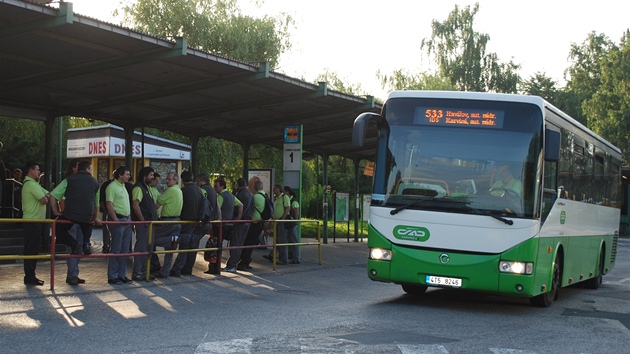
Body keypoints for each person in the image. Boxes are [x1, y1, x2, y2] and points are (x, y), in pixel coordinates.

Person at [49, 160, 101, 286]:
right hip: (87, 219)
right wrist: (94, 218)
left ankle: (72, 274)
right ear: (88, 169)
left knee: (62, 233)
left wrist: (56, 211)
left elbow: (53, 196)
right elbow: (96, 204)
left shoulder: (69, 180)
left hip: (70, 217)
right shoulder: (95, 182)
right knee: (83, 236)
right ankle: (86, 244)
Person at [21, 161, 50, 286]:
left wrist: (47, 196)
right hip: (31, 221)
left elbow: (48, 193)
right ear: (31, 170)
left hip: (35, 221)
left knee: (33, 249)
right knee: (31, 250)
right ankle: (29, 276)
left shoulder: (34, 184)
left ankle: (31, 275)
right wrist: (46, 197)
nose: (39, 172)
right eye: (37, 170)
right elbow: (44, 199)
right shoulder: (30, 185)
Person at [170, 171, 203, 276]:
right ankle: (188, 268)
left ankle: (176, 269)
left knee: (183, 247)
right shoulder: (199, 190)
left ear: (183, 180)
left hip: (185, 221)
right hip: (197, 222)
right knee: (192, 247)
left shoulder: (183, 191)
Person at [206, 178, 241, 274]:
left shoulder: (220, 197)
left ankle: (214, 268)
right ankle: (216, 268)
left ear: (222, 186)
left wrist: (218, 219)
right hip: (229, 224)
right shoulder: (231, 196)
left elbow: (218, 209)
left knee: (215, 246)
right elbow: (240, 204)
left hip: (220, 225)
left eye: (216, 186)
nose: (215, 188)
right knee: (219, 246)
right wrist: (238, 218)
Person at [105, 166, 133, 285]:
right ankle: (113, 275)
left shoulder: (123, 187)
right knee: (116, 249)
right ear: (120, 175)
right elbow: (109, 204)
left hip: (126, 219)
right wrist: (115, 219)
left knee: (124, 249)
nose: (129, 176)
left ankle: (122, 274)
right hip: (119, 219)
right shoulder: (112, 187)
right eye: (127, 174)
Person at [152, 172, 183, 278]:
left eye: (169, 179)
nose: (166, 181)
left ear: (176, 180)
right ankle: (164, 271)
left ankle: (172, 239)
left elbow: (159, 200)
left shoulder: (171, 190)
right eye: (167, 179)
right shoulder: (178, 190)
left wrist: (158, 200)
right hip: (176, 220)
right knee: (169, 250)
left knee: (151, 238)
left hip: (168, 221)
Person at [130, 166, 158, 281]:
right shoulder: (138, 188)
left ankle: (144, 271)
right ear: (145, 176)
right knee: (141, 247)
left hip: (149, 223)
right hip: (144, 223)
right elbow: (135, 204)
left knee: (148, 248)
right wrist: (142, 220)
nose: (153, 177)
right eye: (151, 175)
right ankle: (137, 272)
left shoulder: (146, 188)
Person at [222, 178, 252, 273]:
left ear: (238, 185)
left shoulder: (240, 194)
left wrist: (237, 217)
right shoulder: (250, 194)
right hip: (248, 221)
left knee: (235, 243)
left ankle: (231, 264)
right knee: (239, 244)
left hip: (240, 222)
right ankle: (234, 263)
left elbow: (238, 206)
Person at [238, 180, 267, 271]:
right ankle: (246, 261)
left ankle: (243, 262)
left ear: (255, 187)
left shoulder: (255, 196)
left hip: (254, 221)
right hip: (260, 221)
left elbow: (250, 207)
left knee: (247, 242)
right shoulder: (265, 196)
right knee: (251, 242)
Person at [263, 184, 290, 265]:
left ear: (279, 189)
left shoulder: (284, 197)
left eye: (274, 189)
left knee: (282, 240)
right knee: (278, 240)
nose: (273, 190)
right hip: (276, 221)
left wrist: (283, 218)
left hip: (281, 221)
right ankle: (276, 256)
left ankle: (283, 259)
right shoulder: (276, 199)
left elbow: (287, 207)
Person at [98, 171, 114, 254]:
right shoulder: (109, 185)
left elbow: (101, 199)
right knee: (108, 229)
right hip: (109, 209)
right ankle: (108, 246)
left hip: (107, 209)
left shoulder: (105, 184)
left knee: (106, 229)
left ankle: (106, 246)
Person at [284, 187, 300, 264]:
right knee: (282, 239)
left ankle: (296, 258)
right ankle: (272, 255)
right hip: (288, 222)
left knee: (293, 240)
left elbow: (296, 212)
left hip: (291, 223)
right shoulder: (289, 200)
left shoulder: (293, 202)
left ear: (287, 192)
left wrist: (295, 222)